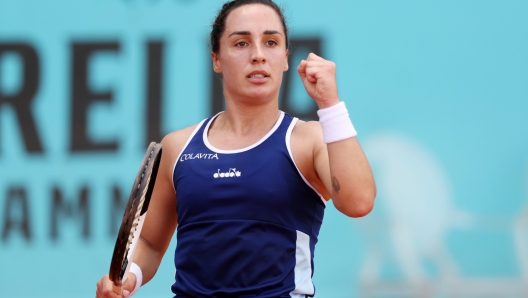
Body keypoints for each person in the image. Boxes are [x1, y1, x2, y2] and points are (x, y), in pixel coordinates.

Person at [96, 0, 376, 297]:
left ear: (284, 58)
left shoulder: (310, 140)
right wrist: (129, 277)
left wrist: (330, 105)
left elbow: (358, 203)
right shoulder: (178, 147)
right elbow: (150, 243)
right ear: (216, 59)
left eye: (271, 42)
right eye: (241, 43)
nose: (258, 55)